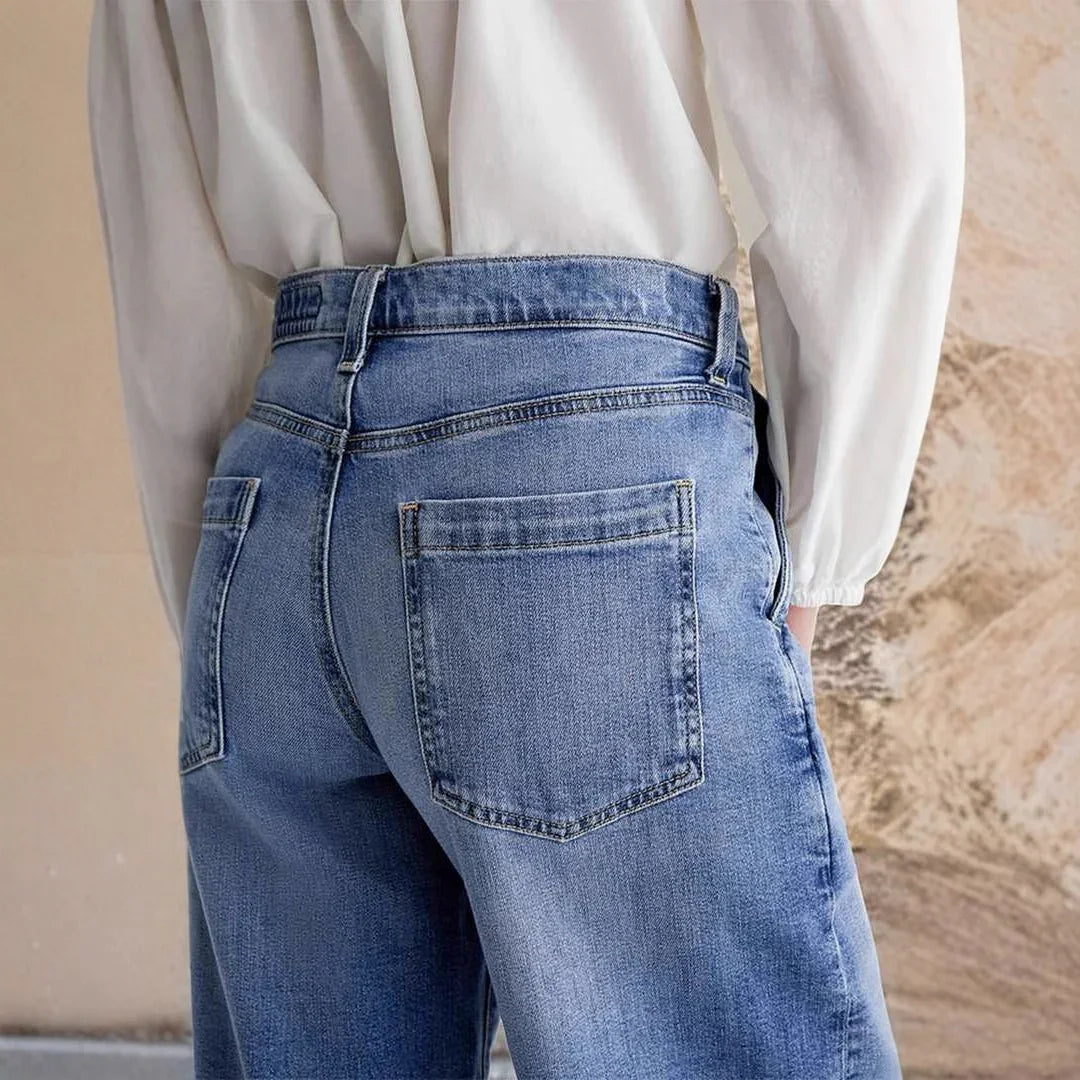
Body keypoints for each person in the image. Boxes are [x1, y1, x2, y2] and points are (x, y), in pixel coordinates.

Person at [88, 2, 964, 1077]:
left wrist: (222, 589)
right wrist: (826, 533)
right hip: (585, 462)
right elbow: (867, 111)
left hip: (272, 492)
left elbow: (159, 210)